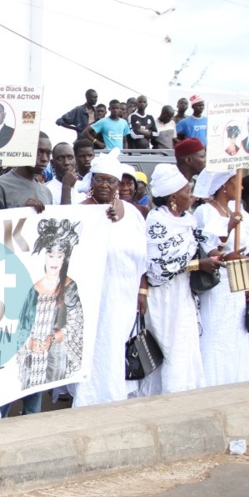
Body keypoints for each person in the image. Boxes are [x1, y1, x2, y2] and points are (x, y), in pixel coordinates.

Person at [71, 152, 147, 408]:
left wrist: (142, 291)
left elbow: (142, 256)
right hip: (94, 296)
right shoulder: (81, 212)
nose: (105, 185)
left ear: (118, 185)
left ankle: (115, 396)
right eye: (100, 179)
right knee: (97, 345)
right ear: (92, 181)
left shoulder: (133, 214)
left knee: (116, 344)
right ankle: (90, 400)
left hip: (124, 294)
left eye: (111, 181)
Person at [139, 164, 220, 396]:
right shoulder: (156, 222)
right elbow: (157, 270)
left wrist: (213, 256)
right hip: (164, 298)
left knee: (186, 349)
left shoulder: (188, 221)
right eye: (187, 192)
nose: (192, 196)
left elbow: (195, 250)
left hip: (183, 294)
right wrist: (198, 265)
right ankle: (170, 402)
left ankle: (187, 401)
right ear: (174, 197)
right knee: (172, 351)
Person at [192, 171, 249, 387]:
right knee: (215, 333)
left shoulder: (238, 210)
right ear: (224, 185)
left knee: (235, 334)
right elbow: (210, 252)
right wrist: (228, 227)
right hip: (216, 284)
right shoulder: (204, 212)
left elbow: (246, 253)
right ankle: (211, 385)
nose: (242, 188)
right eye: (239, 183)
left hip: (237, 285)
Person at [16, 218, 84, 397]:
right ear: (44, 255)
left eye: (59, 256)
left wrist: (54, 337)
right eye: (50, 255)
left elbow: (76, 322)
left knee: (36, 401)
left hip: (55, 357)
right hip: (31, 357)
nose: (54, 260)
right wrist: (29, 342)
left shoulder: (69, 287)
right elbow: (20, 325)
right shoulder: (33, 287)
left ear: (65, 258)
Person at [0, 132, 52, 212]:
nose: (45, 159)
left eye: (48, 154)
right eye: (38, 152)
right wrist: (21, 213)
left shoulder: (46, 193)